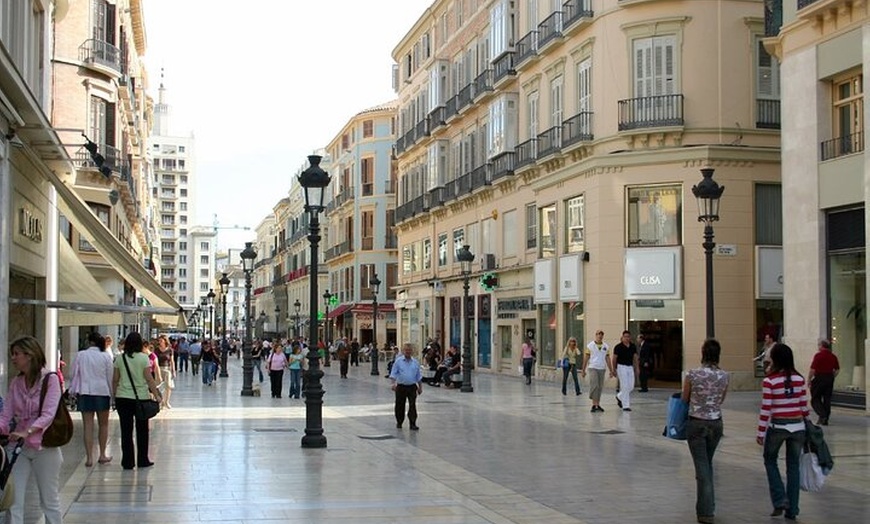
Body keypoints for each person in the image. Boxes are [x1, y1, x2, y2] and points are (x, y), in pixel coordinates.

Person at [0, 336, 64, 524]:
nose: (13, 358)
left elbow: (48, 414)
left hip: (45, 447)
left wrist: (27, 431)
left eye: (16, 354)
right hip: (18, 448)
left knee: (49, 500)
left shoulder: (50, 380)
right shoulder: (16, 383)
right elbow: (6, 415)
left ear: (29, 355)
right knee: (14, 500)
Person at [757, 343, 810, 521]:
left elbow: (766, 409)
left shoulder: (770, 381)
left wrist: (761, 432)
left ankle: (780, 499)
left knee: (770, 460)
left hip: (778, 426)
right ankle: (793, 509)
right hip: (798, 427)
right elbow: (804, 407)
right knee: (793, 467)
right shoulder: (799, 379)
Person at [681, 339, 729, 524]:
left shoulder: (692, 374)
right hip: (716, 422)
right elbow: (721, 399)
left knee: (702, 469)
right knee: (706, 464)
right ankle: (709, 505)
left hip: (697, 422)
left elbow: (685, 398)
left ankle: (706, 511)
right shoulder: (724, 376)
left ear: (703, 353)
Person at [113, 332, 162, 470]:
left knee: (126, 431)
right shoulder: (143, 358)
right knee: (142, 430)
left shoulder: (119, 358)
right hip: (140, 398)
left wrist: (114, 395)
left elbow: (115, 379)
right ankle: (142, 459)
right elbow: (149, 378)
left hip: (123, 397)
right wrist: (156, 393)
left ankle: (127, 462)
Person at [68, 331, 114, 467]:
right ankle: (102, 454)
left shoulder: (81, 355)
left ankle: (89, 458)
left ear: (90, 342)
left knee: (88, 426)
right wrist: (112, 397)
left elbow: (72, 373)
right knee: (103, 425)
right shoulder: (105, 356)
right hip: (102, 392)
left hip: (85, 391)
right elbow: (110, 377)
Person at [389, 343, 423, 430]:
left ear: (412, 351)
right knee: (400, 405)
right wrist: (393, 383)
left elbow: (418, 376)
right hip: (401, 386)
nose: (408, 352)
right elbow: (394, 373)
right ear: (403, 351)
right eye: (406, 350)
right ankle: (399, 422)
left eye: (409, 350)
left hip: (412, 387)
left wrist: (420, 387)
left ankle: (412, 423)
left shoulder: (415, 362)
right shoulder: (398, 361)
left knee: (412, 405)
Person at [808, 339, 839, 426]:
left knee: (815, 398)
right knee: (827, 399)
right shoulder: (833, 356)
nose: (818, 347)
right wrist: (832, 376)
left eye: (819, 345)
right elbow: (837, 369)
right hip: (829, 378)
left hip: (819, 378)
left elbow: (812, 369)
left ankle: (822, 415)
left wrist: (809, 380)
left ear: (822, 346)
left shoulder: (818, 356)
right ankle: (825, 418)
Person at [581, 330, 614, 412]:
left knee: (599, 386)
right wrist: (583, 369)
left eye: (601, 335)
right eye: (598, 334)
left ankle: (597, 404)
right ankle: (594, 403)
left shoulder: (605, 346)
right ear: (596, 335)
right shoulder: (590, 346)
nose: (600, 336)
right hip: (593, 367)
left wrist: (611, 370)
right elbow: (586, 358)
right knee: (594, 384)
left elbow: (607, 358)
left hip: (602, 368)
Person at [612, 330, 639, 411]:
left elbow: (635, 357)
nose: (627, 338)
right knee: (624, 386)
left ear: (630, 338)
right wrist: (614, 369)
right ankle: (626, 405)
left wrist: (637, 368)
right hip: (621, 367)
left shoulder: (632, 346)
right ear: (622, 337)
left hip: (630, 367)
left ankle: (619, 396)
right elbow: (614, 359)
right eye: (625, 337)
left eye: (628, 337)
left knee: (631, 386)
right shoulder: (618, 347)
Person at [155, 335, 176, 409]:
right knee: (157, 386)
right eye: (159, 341)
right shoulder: (156, 350)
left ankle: (166, 401)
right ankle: (160, 402)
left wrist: (173, 370)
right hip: (158, 369)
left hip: (167, 369)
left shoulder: (170, 350)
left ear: (165, 341)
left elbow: (172, 360)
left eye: (161, 341)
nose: (160, 342)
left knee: (168, 386)